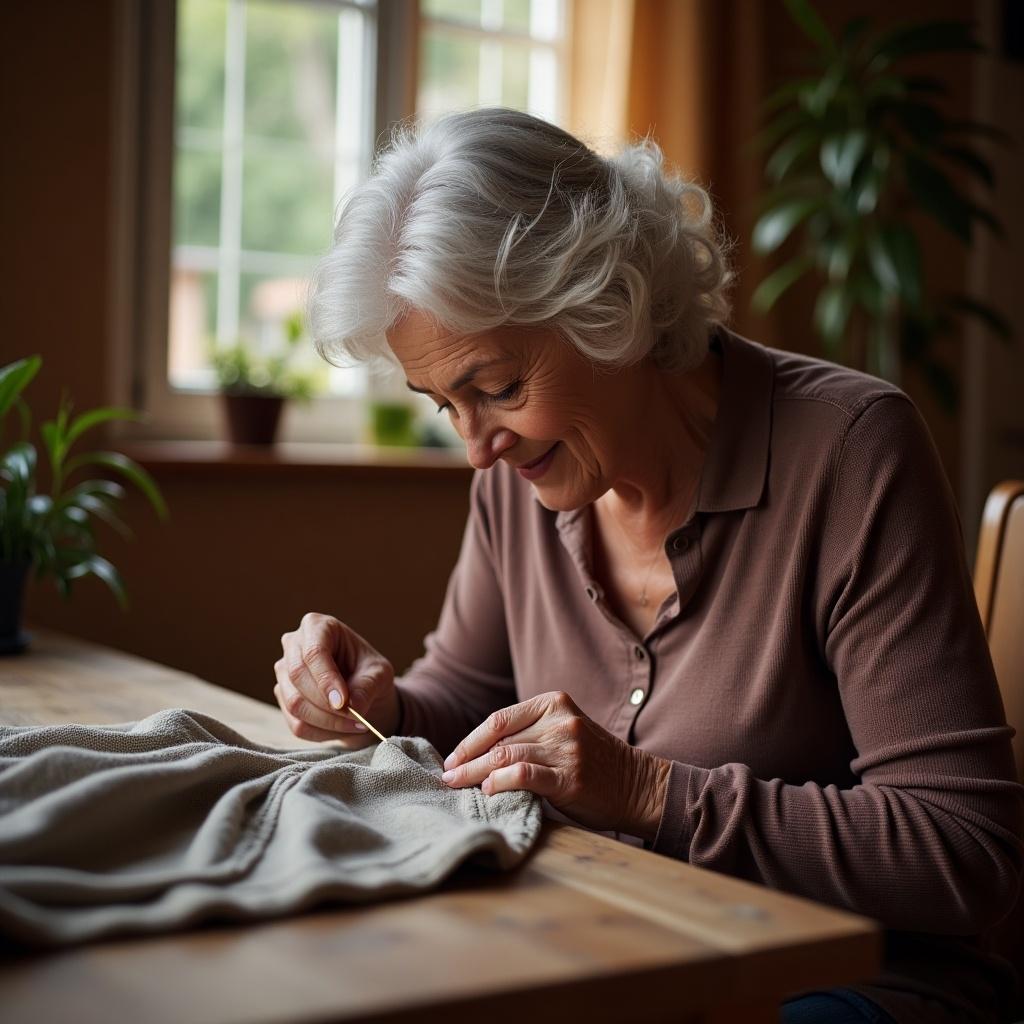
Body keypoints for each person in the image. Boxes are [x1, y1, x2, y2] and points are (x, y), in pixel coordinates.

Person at [272, 108, 1024, 1024]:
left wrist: (646, 791)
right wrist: (381, 705)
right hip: (606, 944)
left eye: (497, 387)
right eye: (443, 406)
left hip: (845, 981)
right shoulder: (522, 479)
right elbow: (469, 701)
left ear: (609, 304)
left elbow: (963, 852)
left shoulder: (850, 449)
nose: (476, 446)